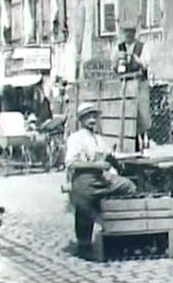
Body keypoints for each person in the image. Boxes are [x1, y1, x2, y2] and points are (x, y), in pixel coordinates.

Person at [65, 102, 137, 259]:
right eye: (87, 117)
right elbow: (70, 163)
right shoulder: (76, 138)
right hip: (84, 180)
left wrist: (115, 166)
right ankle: (84, 243)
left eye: (94, 116)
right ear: (81, 119)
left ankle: (118, 232)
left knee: (128, 186)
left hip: (101, 178)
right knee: (85, 205)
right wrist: (95, 165)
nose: (92, 120)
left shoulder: (98, 139)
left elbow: (109, 157)